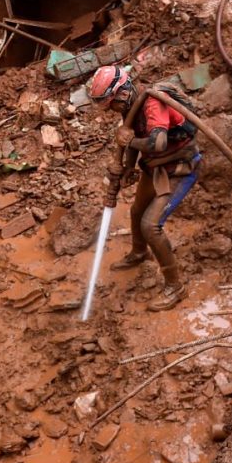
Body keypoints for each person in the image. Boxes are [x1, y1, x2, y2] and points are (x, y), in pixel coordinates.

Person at [89, 65, 204, 313]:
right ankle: (139, 253)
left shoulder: (152, 102)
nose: (112, 110)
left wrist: (129, 140)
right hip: (155, 167)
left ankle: (175, 286)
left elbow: (158, 143)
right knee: (136, 211)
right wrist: (129, 167)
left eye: (111, 105)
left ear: (121, 93)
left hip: (179, 168)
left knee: (150, 225)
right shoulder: (131, 104)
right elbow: (129, 134)